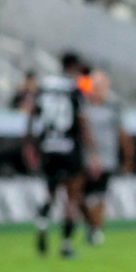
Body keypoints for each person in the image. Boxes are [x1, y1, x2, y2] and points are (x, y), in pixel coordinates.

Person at [24, 52, 94, 259]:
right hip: (70, 147)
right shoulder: (74, 89)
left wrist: (29, 143)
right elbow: (82, 121)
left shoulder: (44, 86)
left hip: (48, 147)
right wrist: (92, 151)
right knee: (72, 197)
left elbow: (32, 115)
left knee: (50, 193)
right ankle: (66, 244)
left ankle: (42, 224)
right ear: (74, 66)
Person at [80, 70, 133, 246]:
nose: (99, 90)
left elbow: (122, 133)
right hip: (85, 159)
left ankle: (96, 229)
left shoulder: (113, 108)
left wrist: (127, 158)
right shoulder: (82, 107)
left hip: (107, 158)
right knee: (83, 197)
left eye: (102, 86)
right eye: (96, 86)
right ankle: (92, 225)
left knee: (100, 196)